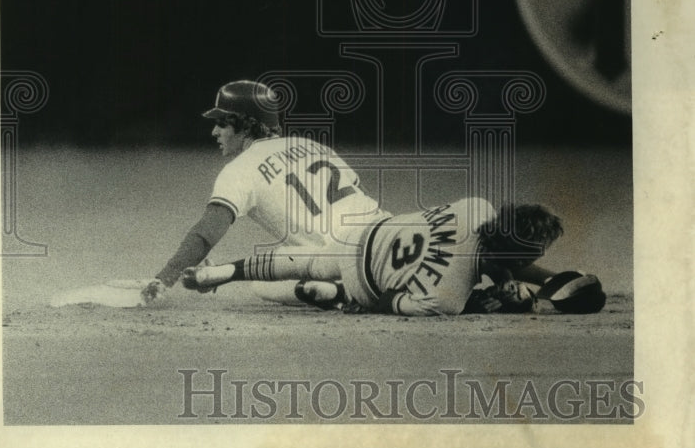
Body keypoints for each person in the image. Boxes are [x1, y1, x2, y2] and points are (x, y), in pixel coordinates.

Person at [141, 80, 387, 302]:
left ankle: (341, 291)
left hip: (341, 262)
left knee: (262, 282)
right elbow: (362, 194)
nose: (214, 132)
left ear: (245, 125)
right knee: (284, 263)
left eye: (222, 124)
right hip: (387, 237)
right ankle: (343, 288)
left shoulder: (240, 168)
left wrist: (164, 278)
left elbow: (206, 233)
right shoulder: (313, 145)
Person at [181, 200, 605, 315]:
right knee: (358, 295)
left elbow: (487, 251)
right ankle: (335, 295)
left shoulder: (476, 207)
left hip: (367, 235)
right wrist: (487, 301)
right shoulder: (450, 298)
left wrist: (505, 277)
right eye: (537, 252)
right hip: (365, 281)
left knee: (309, 260)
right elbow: (387, 303)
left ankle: (225, 271)